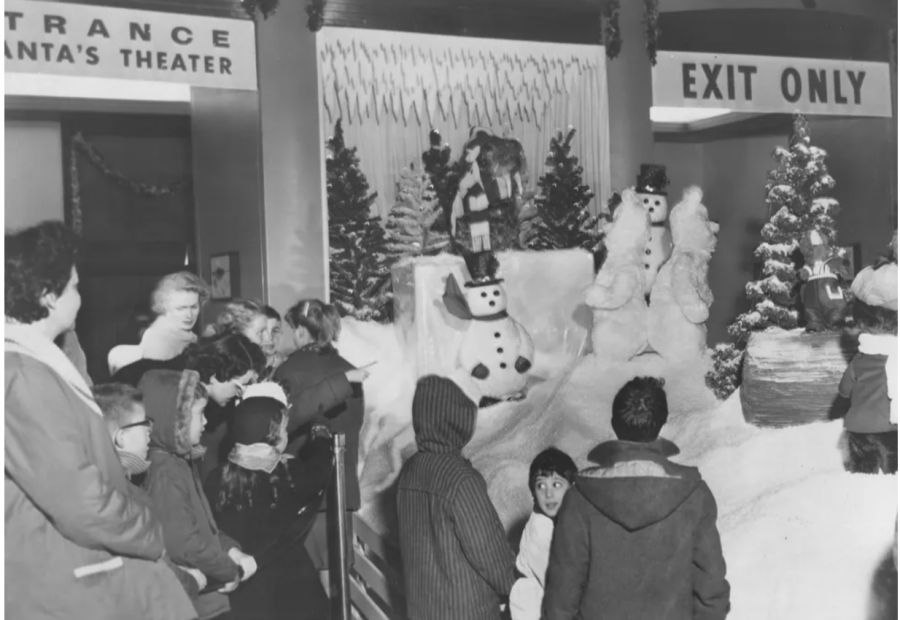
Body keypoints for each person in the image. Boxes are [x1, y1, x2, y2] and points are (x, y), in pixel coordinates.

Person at [5, 220, 196, 620]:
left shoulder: (33, 363)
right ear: (47, 296)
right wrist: (149, 531)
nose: (80, 295)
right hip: (65, 574)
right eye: (73, 285)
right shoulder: (23, 375)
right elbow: (80, 501)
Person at [543, 377, 730, 620]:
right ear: (662, 422)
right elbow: (712, 591)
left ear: (613, 424)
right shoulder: (695, 496)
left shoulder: (579, 499)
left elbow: (561, 597)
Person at [94, 382, 229, 619]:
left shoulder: (112, 484)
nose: (150, 429)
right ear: (122, 437)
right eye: (144, 423)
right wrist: (193, 579)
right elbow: (156, 559)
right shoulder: (125, 495)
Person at [204, 382, 335, 620]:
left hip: (242, 592)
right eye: (284, 431)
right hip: (288, 583)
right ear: (273, 436)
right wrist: (320, 434)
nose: (286, 435)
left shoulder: (215, 478)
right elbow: (318, 473)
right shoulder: (286, 473)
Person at [140, 369, 258, 618]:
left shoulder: (179, 462)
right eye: (199, 414)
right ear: (175, 421)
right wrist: (228, 569)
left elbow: (203, 524)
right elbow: (184, 543)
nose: (205, 422)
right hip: (197, 602)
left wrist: (230, 549)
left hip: (207, 595)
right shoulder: (166, 474)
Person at [397, 373, 516, 620]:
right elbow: (492, 558)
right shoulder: (461, 480)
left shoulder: (409, 471)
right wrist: (523, 588)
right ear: (460, 420)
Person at [273, 298, 369, 576]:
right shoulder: (348, 368)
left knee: (309, 580)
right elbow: (356, 423)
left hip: (304, 491)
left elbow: (280, 424)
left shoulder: (289, 370)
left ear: (302, 331)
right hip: (341, 488)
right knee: (337, 578)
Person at [838, 258, 898, 474]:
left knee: (863, 477)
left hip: (857, 430)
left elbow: (844, 391)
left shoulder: (860, 359)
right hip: (891, 431)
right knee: (892, 478)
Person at [509, 448, 578, 620]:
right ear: (533, 492)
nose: (548, 494)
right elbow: (558, 585)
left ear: (572, 487)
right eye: (541, 485)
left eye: (556, 484)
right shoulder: (539, 531)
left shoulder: (563, 520)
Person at [108, 271, 210, 376]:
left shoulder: (189, 336)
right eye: (180, 308)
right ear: (165, 306)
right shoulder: (159, 338)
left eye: (193, 307)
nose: (189, 315)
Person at [262, 304, 287, 374]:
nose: (270, 338)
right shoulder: (244, 370)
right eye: (265, 331)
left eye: (275, 331)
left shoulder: (287, 368)